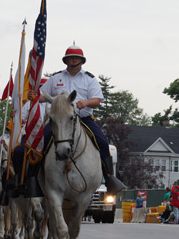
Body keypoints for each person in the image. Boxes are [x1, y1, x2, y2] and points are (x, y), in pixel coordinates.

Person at [37, 44, 126, 196]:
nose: (72, 60)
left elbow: (97, 100)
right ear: (65, 60)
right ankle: (33, 178)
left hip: (84, 118)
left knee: (103, 143)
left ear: (81, 61)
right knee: (39, 142)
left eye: (75, 58)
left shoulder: (89, 79)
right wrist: (35, 97)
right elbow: (41, 96)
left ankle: (110, 178)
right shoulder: (56, 78)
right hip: (61, 121)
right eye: (70, 58)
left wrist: (85, 103)